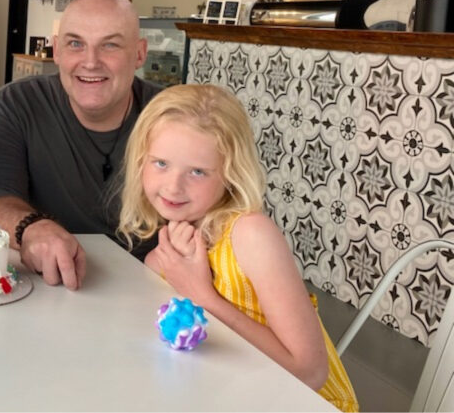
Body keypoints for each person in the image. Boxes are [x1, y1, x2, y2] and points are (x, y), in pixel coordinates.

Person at [118, 84, 358, 412]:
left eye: (198, 172)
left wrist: (204, 297)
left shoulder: (250, 235)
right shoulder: (166, 253)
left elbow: (311, 372)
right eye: (161, 163)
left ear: (230, 176)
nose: (174, 186)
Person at [0, 0, 162, 291]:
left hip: (152, 289)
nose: (90, 61)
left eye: (109, 45)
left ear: (139, 54)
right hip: (49, 285)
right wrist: (31, 228)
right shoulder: (17, 103)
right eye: (75, 44)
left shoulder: (172, 116)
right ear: (57, 50)